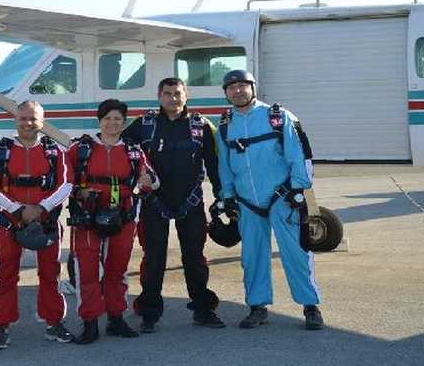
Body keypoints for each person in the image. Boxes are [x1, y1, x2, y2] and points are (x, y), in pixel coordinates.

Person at [216, 70, 324, 330]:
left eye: (242, 85)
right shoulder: (225, 125)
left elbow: (299, 155)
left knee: (296, 253)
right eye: (231, 87)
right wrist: (227, 196)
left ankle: (310, 306)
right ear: (226, 93)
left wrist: (299, 190)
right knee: (252, 256)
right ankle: (257, 307)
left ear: (253, 87)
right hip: (247, 202)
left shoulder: (278, 117)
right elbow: (224, 166)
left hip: (282, 198)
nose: (237, 91)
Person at [123, 77, 224, 333]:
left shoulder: (201, 125)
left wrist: (222, 197)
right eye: (167, 94)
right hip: (153, 203)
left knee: (195, 257)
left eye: (178, 93)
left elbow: (214, 164)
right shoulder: (144, 124)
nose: (173, 98)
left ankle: (203, 309)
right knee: (153, 258)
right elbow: (122, 152)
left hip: (191, 202)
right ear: (159, 97)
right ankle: (149, 313)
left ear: (186, 96)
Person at [0, 100, 74, 349]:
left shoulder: (55, 152)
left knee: (50, 274)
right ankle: (2, 325)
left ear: (42, 122)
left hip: (46, 223)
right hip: (9, 224)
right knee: (6, 275)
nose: (28, 123)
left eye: (33, 119)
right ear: (16, 120)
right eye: (23, 118)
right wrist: (17, 209)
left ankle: (54, 323)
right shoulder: (0, 151)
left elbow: (66, 184)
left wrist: (41, 208)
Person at [66, 99, 158, 344]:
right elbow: (63, 180)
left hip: (122, 218)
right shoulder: (80, 149)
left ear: (124, 122)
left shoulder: (133, 151)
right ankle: (90, 323)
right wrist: (79, 192)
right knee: (87, 271)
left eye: (117, 119)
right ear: (100, 121)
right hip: (87, 217)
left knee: (117, 270)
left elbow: (152, 180)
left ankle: (116, 318)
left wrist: (147, 183)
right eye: (107, 118)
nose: (112, 123)